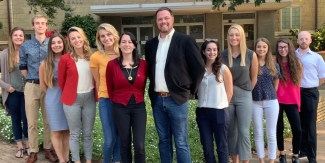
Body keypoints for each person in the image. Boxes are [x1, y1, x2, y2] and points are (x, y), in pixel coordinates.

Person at [145, 7, 205, 163]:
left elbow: (198, 68)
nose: (163, 21)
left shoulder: (185, 40)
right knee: (163, 141)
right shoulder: (151, 44)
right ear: (156, 22)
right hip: (158, 100)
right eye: (160, 19)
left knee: (181, 142)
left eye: (166, 18)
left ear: (172, 19)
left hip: (177, 100)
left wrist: (189, 91)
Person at [19, 15, 57, 163]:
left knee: (49, 120)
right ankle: (33, 151)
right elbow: (22, 66)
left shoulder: (52, 44)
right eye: (37, 23)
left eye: (43, 23)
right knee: (32, 121)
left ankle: (48, 149)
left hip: (49, 87)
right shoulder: (26, 45)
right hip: (32, 86)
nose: (40, 26)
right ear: (33, 26)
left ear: (46, 26)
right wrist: (33, 78)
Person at [106, 32, 148, 163]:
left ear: (135, 45)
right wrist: (118, 102)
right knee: (124, 143)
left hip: (139, 107)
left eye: (130, 42)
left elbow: (145, 84)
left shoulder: (143, 64)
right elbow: (109, 88)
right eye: (123, 41)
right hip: (120, 108)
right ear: (119, 45)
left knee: (139, 144)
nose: (127, 44)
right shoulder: (112, 65)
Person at [58, 27, 97, 163]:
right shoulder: (65, 59)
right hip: (72, 100)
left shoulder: (92, 56)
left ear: (83, 37)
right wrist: (69, 93)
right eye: (73, 38)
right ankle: (76, 161)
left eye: (78, 37)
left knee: (87, 134)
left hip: (89, 98)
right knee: (74, 133)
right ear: (70, 42)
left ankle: (88, 160)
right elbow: (62, 81)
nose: (77, 40)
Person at [220, 24, 258, 163]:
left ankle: (245, 160)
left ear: (242, 36)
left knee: (243, 131)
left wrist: (246, 91)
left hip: (244, 96)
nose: (234, 37)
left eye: (237, 35)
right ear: (228, 37)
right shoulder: (222, 55)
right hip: (227, 97)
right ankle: (235, 160)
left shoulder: (250, 54)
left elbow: (254, 78)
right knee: (231, 131)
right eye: (231, 35)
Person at [196, 39, 233, 163]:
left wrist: (222, 105)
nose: (212, 52)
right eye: (208, 49)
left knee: (221, 146)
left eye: (214, 50)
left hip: (219, 111)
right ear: (203, 51)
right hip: (202, 112)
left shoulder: (223, 69)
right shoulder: (199, 69)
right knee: (207, 147)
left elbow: (229, 92)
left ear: (218, 52)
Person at [90, 23, 121, 163]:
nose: (106, 38)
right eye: (102, 36)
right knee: (109, 139)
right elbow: (97, 82)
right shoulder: (96, 56)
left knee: (120, 136)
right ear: (99, 39)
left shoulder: (123, 52)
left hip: (123, 101)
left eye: (109, 34)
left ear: (114, 35)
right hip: (106, 101)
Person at [39, 34, 70, 163]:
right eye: (53, 43)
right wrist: (53, 94)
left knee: (67, 131)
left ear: (63, 44)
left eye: (59, 42)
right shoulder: (45, 63)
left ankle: (67, 158)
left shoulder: (70, 60)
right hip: (53, 100)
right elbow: (43, 85)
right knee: (57, 132)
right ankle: (62, 160)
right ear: (50, 46)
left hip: (69, 99)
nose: (56, 45)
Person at [0, 27, 30, 158]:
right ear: (11, 37)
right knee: (16, 119)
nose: (18, 37)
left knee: (27, 119)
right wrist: (6, 86)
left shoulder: (28, 52)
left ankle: (28, 145)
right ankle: (20, 148)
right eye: (16, 35)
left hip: (27, 92)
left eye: (21, 35)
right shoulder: (4, 54)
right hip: (13, 93)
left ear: (24, 37)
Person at [296, 31, 325, 163]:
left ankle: (312, 157)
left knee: (310, 125)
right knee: (299, 123)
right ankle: (302, 151)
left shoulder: (317, 57)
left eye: (306, 39)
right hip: (296, 93)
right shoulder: (292, 55)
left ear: (310, 41)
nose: (303, 41)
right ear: (297, 41)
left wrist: (310, 86)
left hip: (310, 92)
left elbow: (321, 78)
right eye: (301, 39)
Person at [251, 38, 281, 163]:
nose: (261, 49)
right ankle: (261, 159)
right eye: (259, 47)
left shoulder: (274, 65)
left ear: (268, 48)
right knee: (258, 132)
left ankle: (272, 159)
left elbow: (276, 83)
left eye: (264, 47)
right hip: (255, 101)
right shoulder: (251, 64)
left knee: (271, 132)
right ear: (255, 48)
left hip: (271, 101)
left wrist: (269, 93)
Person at [275, 37, 303, 163]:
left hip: (292, 100)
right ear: (277, 49)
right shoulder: (274, 63)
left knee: (297, 129)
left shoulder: (297, 63)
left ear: (289, 48)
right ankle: (282, 154)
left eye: (285, 47)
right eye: (280, 47)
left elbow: (299, 83)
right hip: (277, 100)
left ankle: (295, 155)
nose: (283, 49)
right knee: (278, 128)